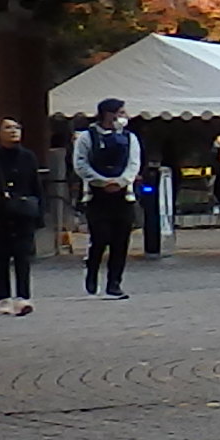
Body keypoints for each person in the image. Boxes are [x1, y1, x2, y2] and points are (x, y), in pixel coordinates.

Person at [69, 100, 144, 298]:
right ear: (108, 114)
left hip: (123, 196)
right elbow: (81, 164)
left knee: (121, 241)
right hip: (96, 196)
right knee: (100, 237)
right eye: (120, 112)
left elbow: (134, 164)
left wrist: (121, 181)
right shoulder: (87, 137)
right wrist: (101, 182)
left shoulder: (130, 138)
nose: (124, 116)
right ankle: (92, 270)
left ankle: (114, 283)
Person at [0, 117, 46, 312]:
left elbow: (36, 186)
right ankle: (4, 297)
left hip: (24, 213)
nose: (13, 131)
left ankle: (24, 296)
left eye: (16, 127)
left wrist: (39, 214)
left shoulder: (29, 156)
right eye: (7, 128)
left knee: (23, 256)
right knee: (1, 257)